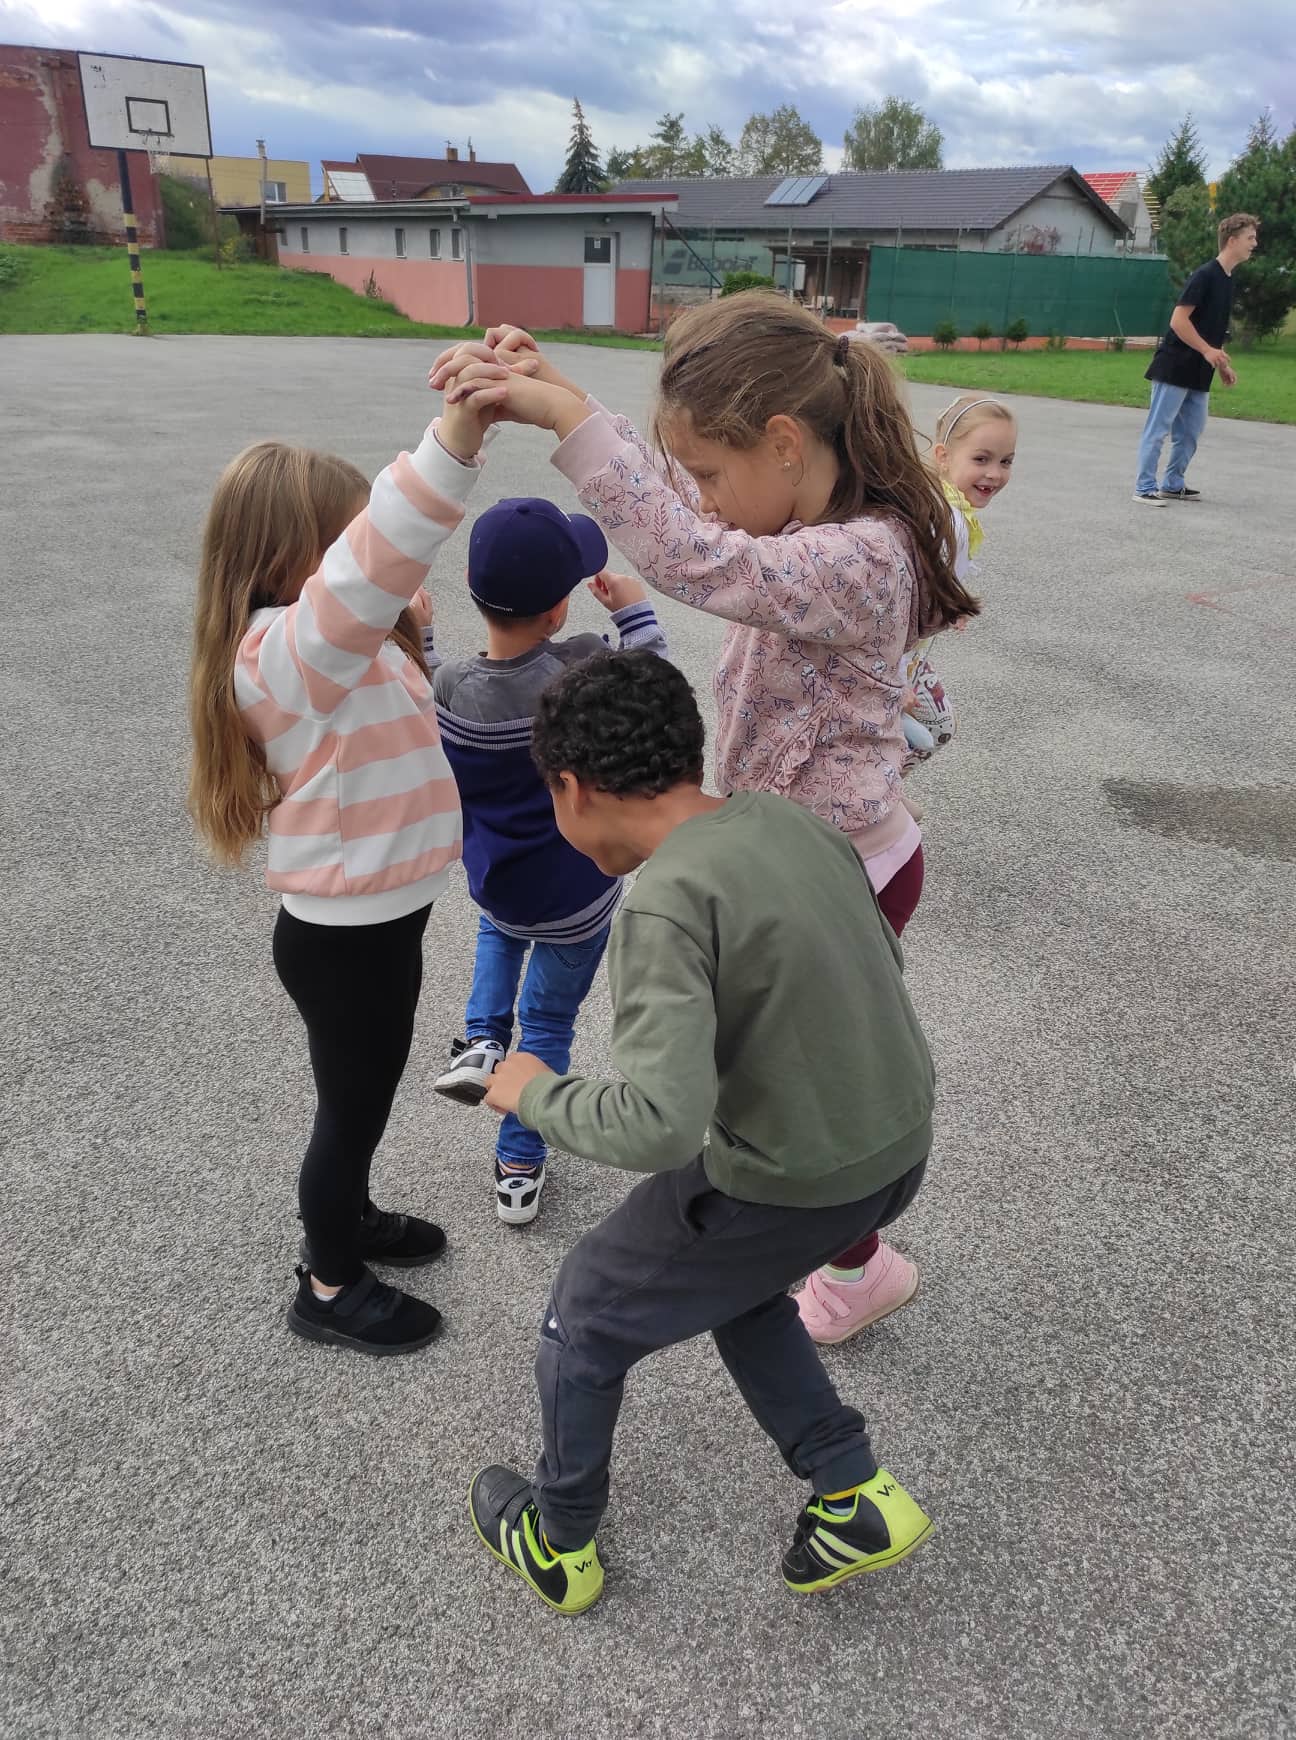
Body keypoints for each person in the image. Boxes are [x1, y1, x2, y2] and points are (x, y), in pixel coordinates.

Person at [432, 295, 977, 1344]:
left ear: (784, 443)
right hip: (797, 861)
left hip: (836, 873)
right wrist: (566, 393)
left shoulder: (860, 556)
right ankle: (843, 1254)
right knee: (781, 1076)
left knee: (789, 1088)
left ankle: (836, 1260)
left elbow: (691, 554)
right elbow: (689, 509)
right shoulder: (810, 516)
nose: (706, 498)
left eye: (716, 473)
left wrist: (566, 420)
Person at [464, 650, 936, 1614]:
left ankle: (560, 1542)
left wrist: (531, 1092)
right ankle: (850, 1493)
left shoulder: (667, 903)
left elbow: (658, 1126)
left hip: (796, 1177)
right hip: (894, 1144)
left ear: (572, 788)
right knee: (741, 1284)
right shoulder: (792, 821)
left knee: (586, 1311)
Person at [187, 378, 496, 1356]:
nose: (363, 558)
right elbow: (378, 561)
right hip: (344, 940)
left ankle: (351, 1218)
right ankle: (328, 1283)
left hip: (379, 922)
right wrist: (455, 441)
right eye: (345, 538)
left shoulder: (332, 650)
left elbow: (390, 706)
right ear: (294, 555)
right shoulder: (281, 653)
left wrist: (421, 633)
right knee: (351, 1111)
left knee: (364, 1095)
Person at [427, 497, 667, 1224]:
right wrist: (635, 614)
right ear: (559, 609)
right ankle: (519, 1168)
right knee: (549, 1027)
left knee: (498, 935)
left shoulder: (452, 688)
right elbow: (652, 689)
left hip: (499, 880)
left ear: (471, 587)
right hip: (576, 893)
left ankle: (480, 1042)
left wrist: (422, 634)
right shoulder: (578, 670)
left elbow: (428, 683)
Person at [902, 395, 1018, 773]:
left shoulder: (952, 509)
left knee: (938, 727)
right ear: (944, 456)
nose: (995, 474)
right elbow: (899, 602)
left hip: (909, 655)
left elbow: (933, 578)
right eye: (981, 459)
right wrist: (891, 682)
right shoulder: (944, 518)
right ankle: (872, 795)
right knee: (931, 730)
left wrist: (951, 601)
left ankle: (879, 792)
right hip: (891, 659)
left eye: (1006, 461)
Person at [1133, 212, 1259, 505]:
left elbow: (1213, 329)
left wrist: (1221, 364)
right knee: (1158, 429)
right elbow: (1178, 321)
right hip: (1175, 365)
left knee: (1191, 432)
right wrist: (1206, 350)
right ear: (1232, 241)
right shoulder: (1205, 275)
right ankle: (1144, 487)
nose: (1255, 243)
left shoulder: (1227, 279)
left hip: (1200, 371)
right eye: (1250, 238)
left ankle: (1172, 484)